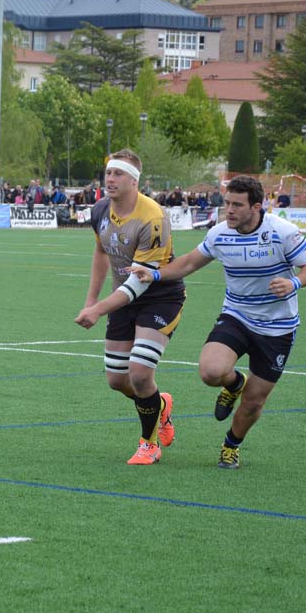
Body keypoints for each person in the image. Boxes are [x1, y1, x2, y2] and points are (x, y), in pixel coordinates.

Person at [127, 175, 306, 469]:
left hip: (277, 329)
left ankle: (231, 444)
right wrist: (154, 274)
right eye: (226, 203)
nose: (228, 210)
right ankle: (234, 384)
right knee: (210, 372)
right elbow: (190, 262)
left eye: (236, 204)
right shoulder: (219, 234)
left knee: (255, 402)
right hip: (237, 316)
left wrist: (293, 283)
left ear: (257, 206)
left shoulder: (282, 232)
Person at [73, 149, 181, 466]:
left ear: (135, 180)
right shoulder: (100, 210)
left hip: (159, 295)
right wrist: (91, 300)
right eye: (108, 172)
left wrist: (99, 310)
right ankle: (159, 405)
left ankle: (148, 444)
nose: (110, 178)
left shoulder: (154, 217)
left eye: (118, 173)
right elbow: (101, 253)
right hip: (122, 296)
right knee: (117, 380)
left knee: (140, 372)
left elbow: (141, 282)